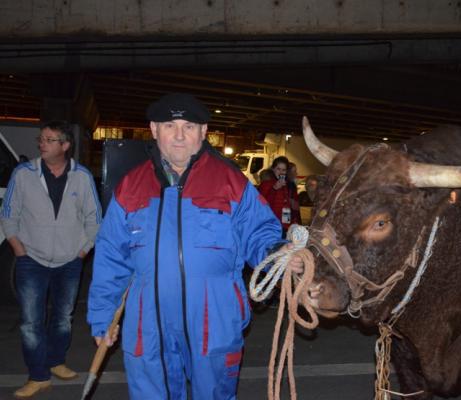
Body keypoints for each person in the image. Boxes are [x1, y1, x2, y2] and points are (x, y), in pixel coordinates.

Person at [87, 93, 304, 400]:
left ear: (203, 132)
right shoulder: (130, 186)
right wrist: (102, 315)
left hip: (213, 317)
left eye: (188, 126)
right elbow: (111, 256)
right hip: (148, 321)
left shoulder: (231, 182)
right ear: (153, 129)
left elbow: (260, 233)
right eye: (169, 125)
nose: (178, 135)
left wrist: (276, 255)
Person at [0, 120, 102, 399]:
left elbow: (94, 218)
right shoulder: (24, 174)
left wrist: (82, 251)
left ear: (65, 145)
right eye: (41, 139)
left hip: (70, 261)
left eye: (48, 139)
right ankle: (38, 375)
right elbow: (9, 213)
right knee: (31, 322)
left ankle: (56, 361)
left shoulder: (81, 176)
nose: (41, 143)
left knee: (62, 319)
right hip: (31, 258)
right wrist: (19, 248)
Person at [258, 156, 301, 236]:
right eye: (278, 169)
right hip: (270, 225)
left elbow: (286, 205)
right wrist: (274, 188)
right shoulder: (265, 184)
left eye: (283, 170)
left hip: (284, 225)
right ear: (273, 169)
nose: (281, 172)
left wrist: (291, 222)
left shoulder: (286, 185)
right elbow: (262, 205)